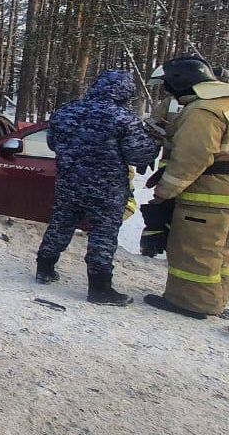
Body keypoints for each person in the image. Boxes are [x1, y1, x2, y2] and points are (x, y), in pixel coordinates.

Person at [144, 57, 229, 319]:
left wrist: (164, 193)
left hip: (210, 196)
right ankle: (216, 299)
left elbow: (192, 158)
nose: (168, 92)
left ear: (182, 82)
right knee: (222, 253)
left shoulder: (203, 111)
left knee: (195, 252)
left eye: (168, 85)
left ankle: (191, 303)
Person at [35, 70, 158, 305]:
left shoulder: (66, 111)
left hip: (69, 183)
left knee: (60, 225)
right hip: (107, 189)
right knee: (103, 235)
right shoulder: (123, 118)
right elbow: (139, 154)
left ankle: (45, 268)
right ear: (126, 92)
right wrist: (153, 141)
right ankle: (100, 288)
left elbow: (52, 143)